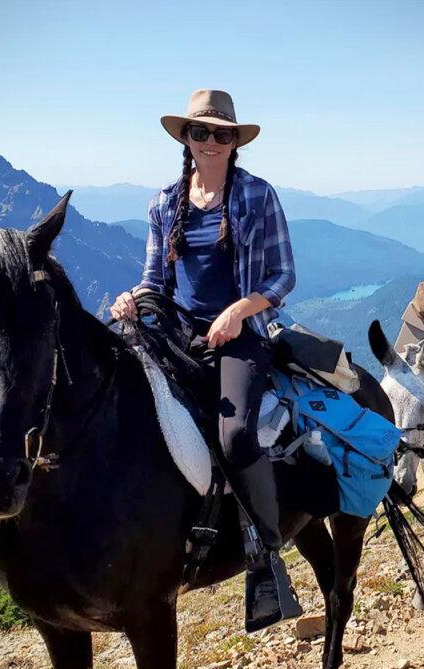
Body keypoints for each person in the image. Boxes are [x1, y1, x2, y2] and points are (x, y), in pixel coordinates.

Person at [111, 89, 302, 633]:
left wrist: (240, 311)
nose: (211, 142)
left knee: (236, 435)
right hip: (175, 332)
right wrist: (133, 298)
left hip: (241, 335)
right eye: (201, 132)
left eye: (222, 134)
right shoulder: (163, 203)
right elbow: (155, 281)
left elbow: (283, 277)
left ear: (235, 142)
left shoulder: (257, 196)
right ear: (186, 139)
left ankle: (265, 555)